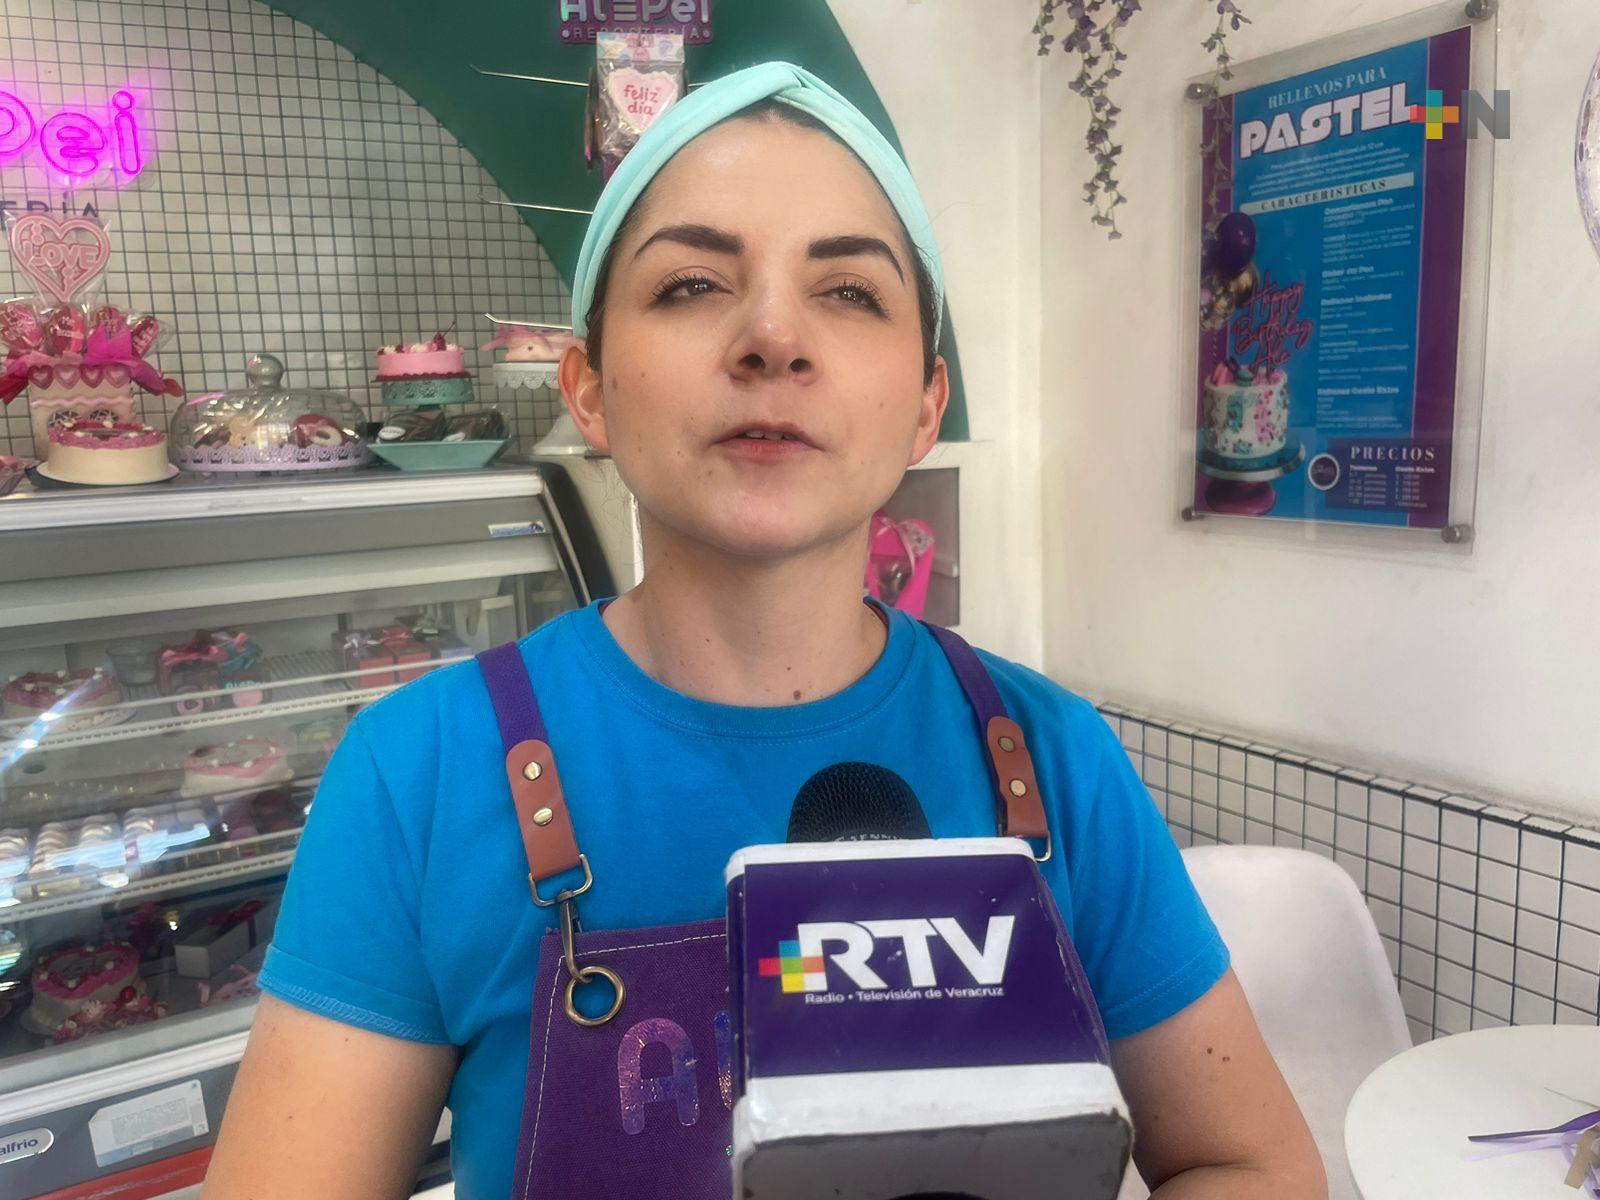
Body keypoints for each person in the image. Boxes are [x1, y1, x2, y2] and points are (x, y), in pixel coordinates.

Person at [203, 62, 1324, 1200]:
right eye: (693, 283)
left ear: (925, 406)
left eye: (850, 293)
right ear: (589, 389)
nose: (774, 336)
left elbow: (1254, 1166)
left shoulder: (1056, 756)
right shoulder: (418, 775)